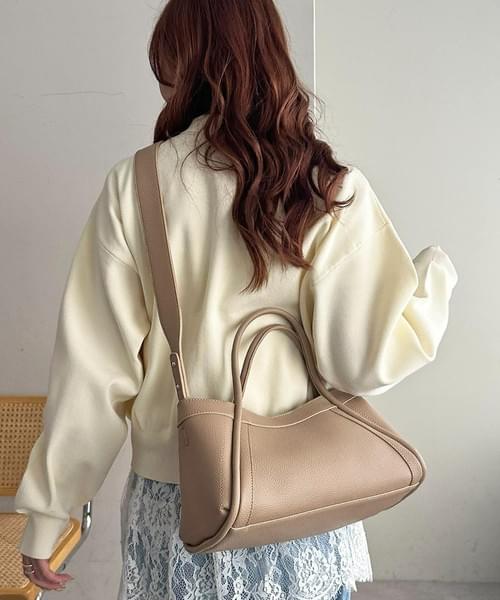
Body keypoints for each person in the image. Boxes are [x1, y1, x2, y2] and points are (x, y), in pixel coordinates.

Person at [13, 0, 458, 597]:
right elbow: (361, 362)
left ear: (184, 65)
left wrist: (49, 514)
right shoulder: (326, 187)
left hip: (179, 504)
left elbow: (93, 374)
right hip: (302, 490)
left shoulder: (136, 186)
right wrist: (435, 279)